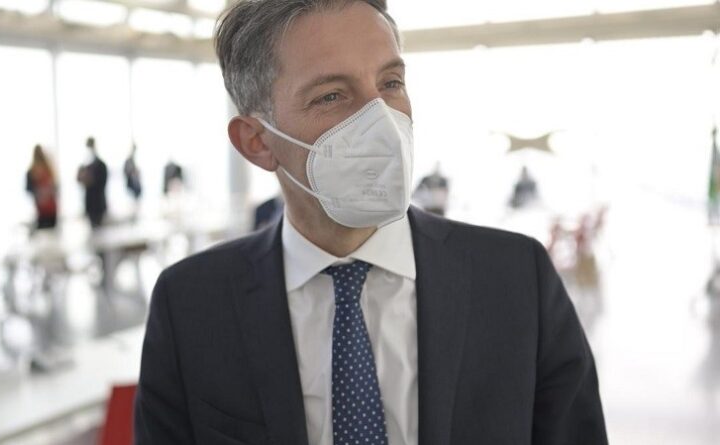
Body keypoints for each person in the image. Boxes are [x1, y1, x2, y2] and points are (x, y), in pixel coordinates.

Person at [135, 2, 608, 445]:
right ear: (257, 142)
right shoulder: (192, 305)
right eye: (331, 95)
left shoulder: (515, 278)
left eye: (390, 83)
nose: (380, 119)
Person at [77, 137, 108, 228]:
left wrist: (90, 179)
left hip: (98, 203)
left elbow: (101, 183)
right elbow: (79, 179)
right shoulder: (85, 165)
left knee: (99, 228)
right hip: (90, 204)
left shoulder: (101, 165)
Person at [25, 145, 58, 230]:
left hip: (50, 207)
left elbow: (54, 187)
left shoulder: (48, 169)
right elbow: (28, 188)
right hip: (40, 208)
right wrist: (39, 193)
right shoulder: (32, 171)